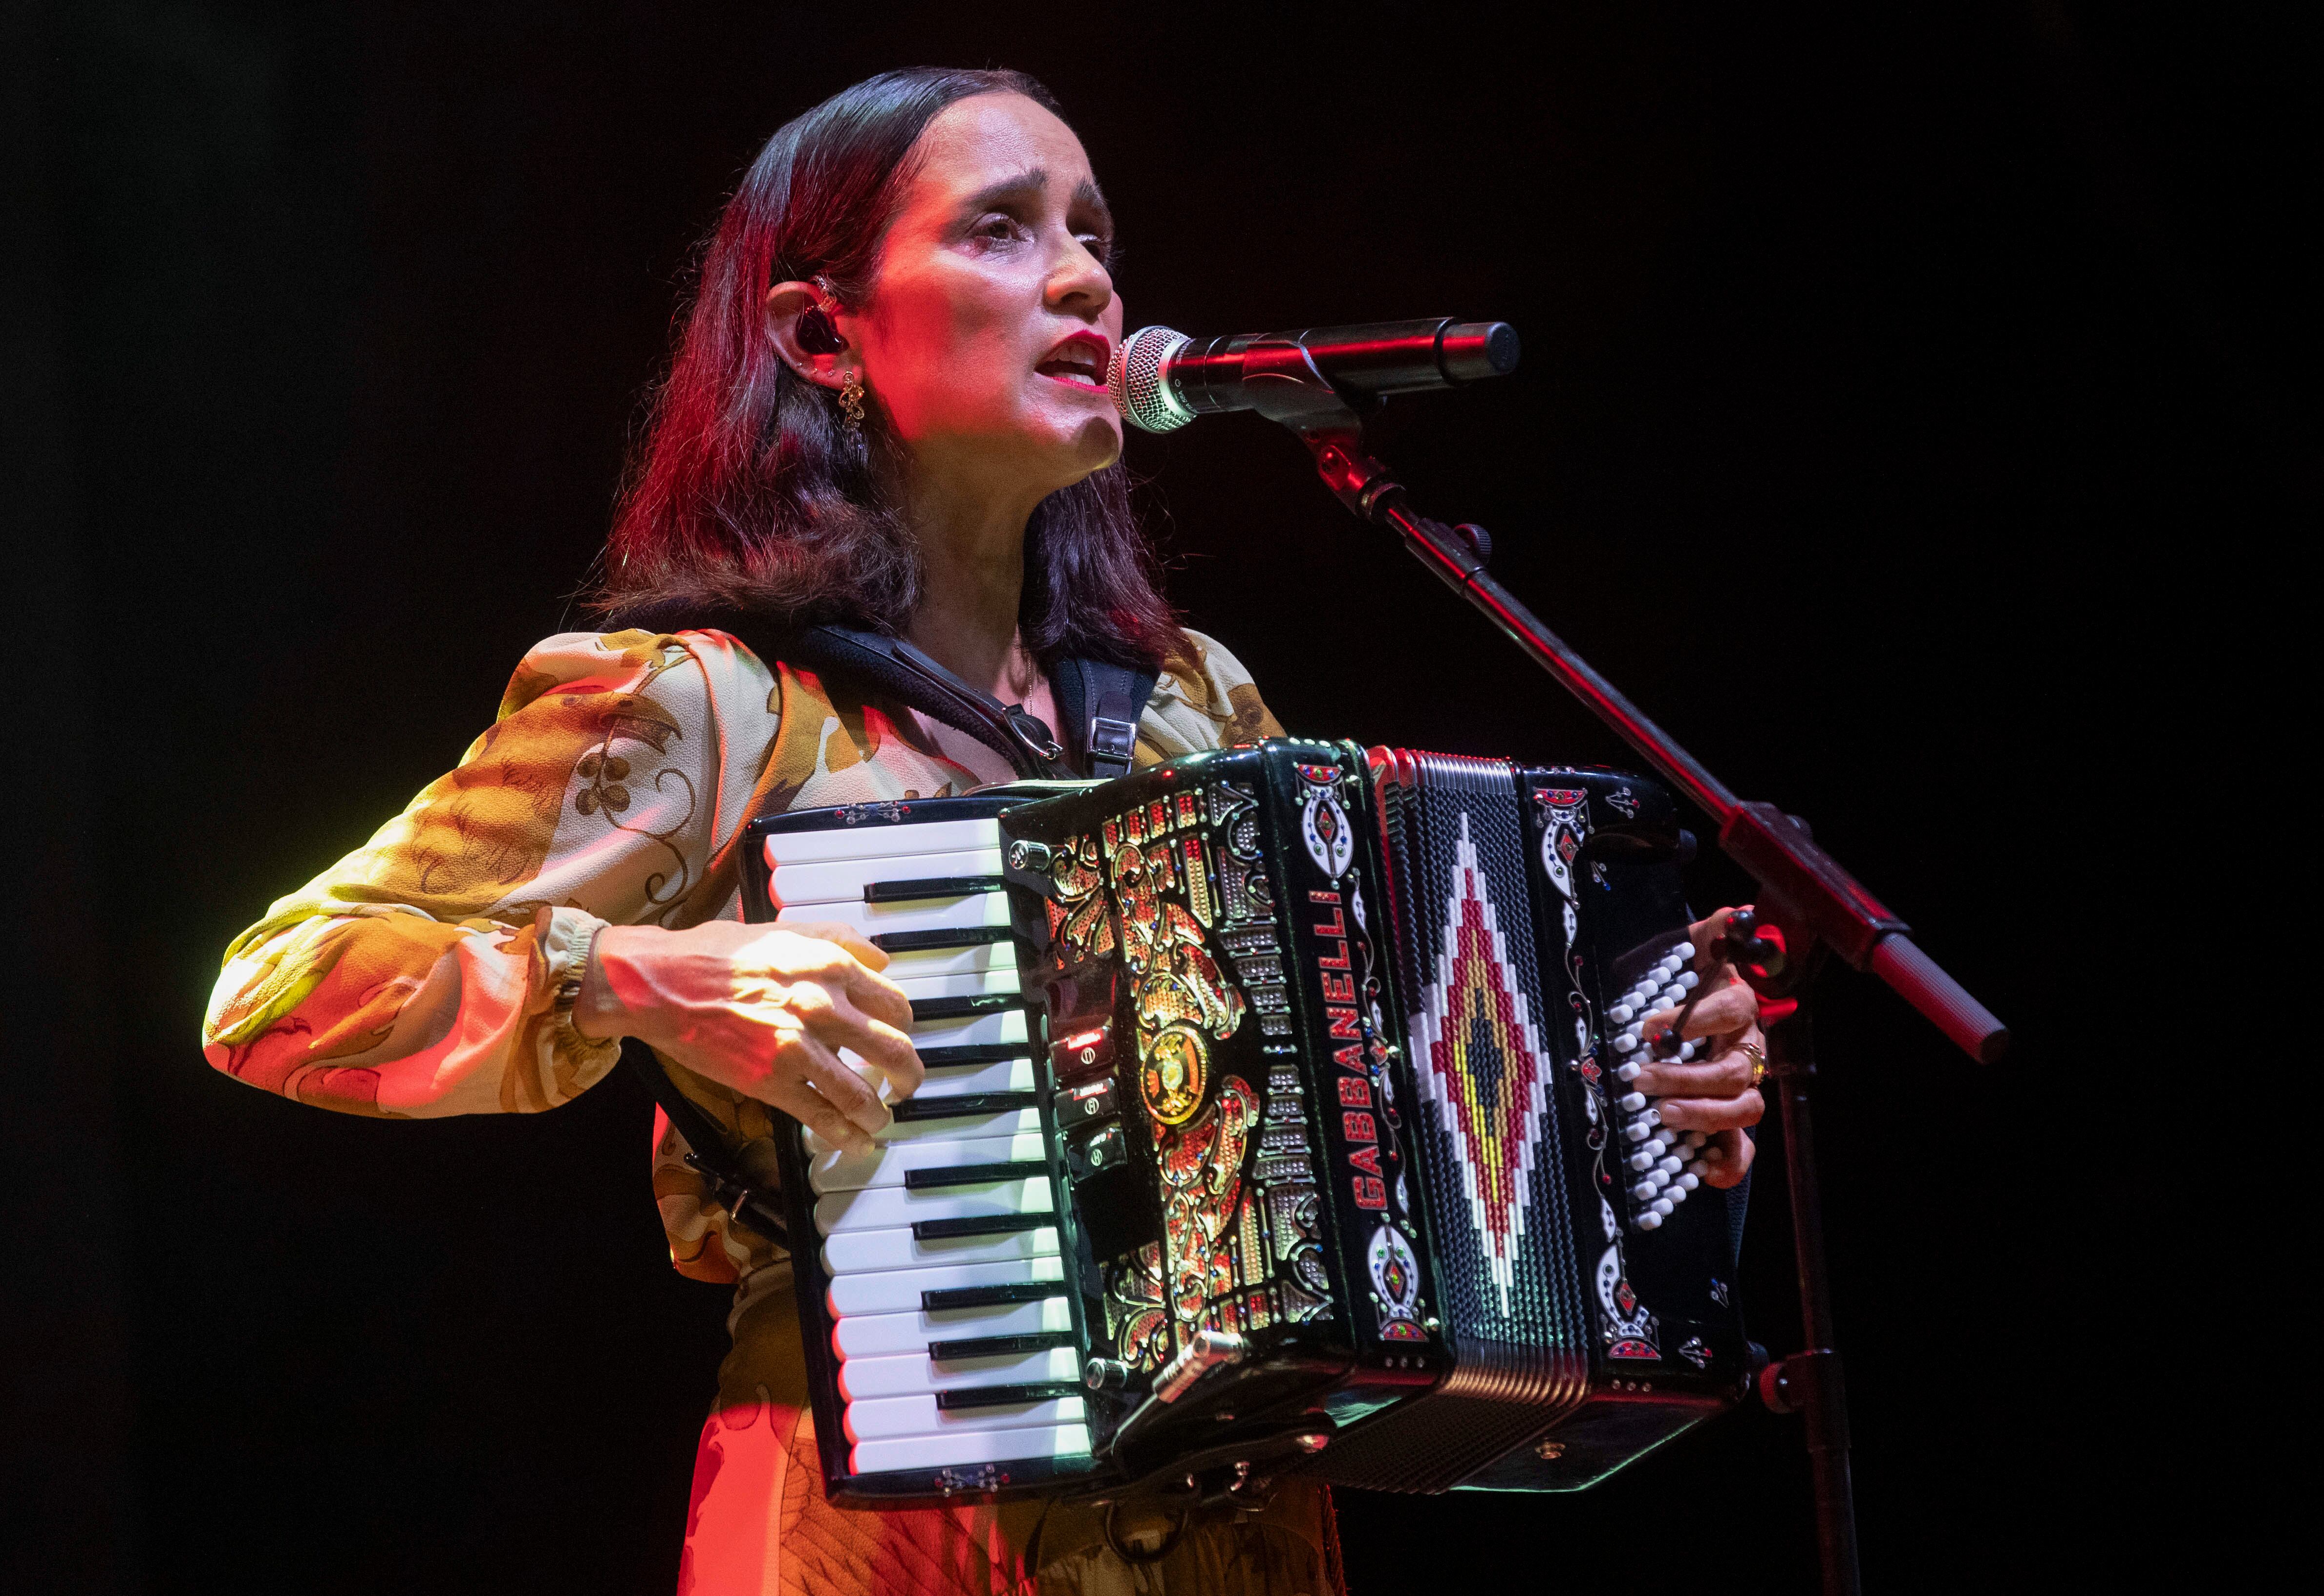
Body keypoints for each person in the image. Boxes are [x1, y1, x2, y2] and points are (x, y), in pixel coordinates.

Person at [201, 67, 1772, 1596]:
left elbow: (1373, 1110)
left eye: (1094, 232)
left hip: (1234, 1537)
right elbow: (277, 988)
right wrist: (625, 971)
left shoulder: (1189, 708)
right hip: (878, 1533)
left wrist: (1624, 1084)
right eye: (1004, 229)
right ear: (822, 331)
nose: (1084, 276)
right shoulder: (699, 704)